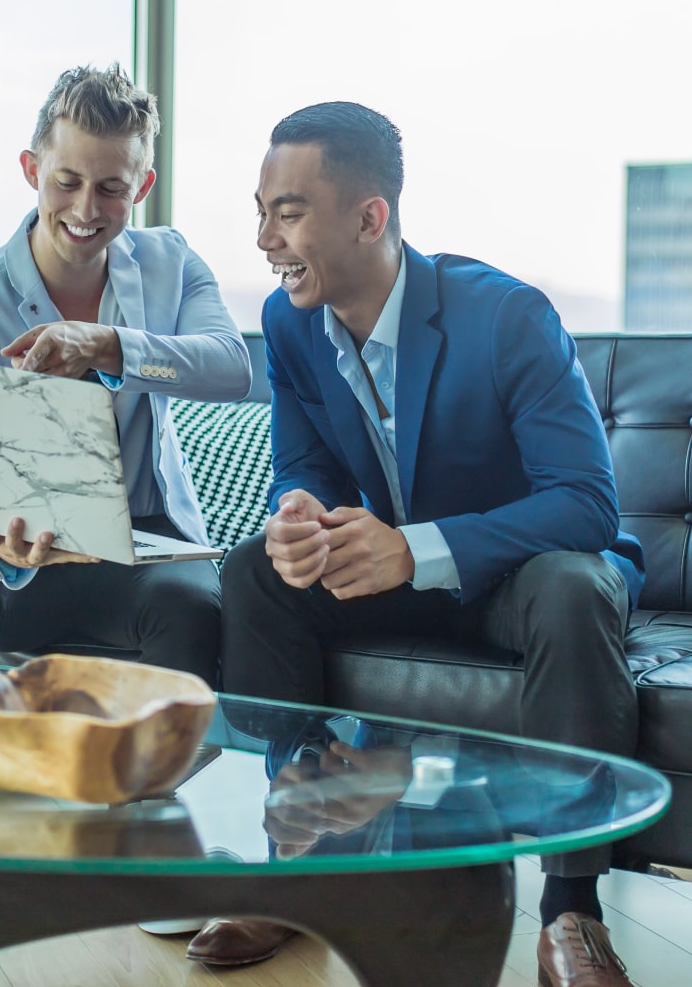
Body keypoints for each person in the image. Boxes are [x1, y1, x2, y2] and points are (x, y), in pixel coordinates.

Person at [200, 101, 643, 985]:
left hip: (520, 576)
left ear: (370, 219)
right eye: (260, 211)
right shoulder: (289, 322)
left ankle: (572, 912)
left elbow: (587, 504)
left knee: (573, 588)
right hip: (398, 570)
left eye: (288, 213)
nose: (264, 239)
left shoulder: (507, 315)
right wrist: (300, 516)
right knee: (255, 570)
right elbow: (303, 464)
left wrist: (416, 549)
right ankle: (302, 851)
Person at [0, 63, 250, 688]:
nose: (86, 209)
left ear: (142, 187)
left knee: (190, 606)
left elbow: (231, 368)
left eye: (111, 188)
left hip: (143, 540)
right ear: (31, 170)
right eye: (66, 181)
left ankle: (162, 759)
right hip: (15, 542)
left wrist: (108, 347)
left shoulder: (171, 264)